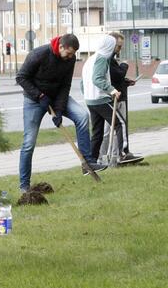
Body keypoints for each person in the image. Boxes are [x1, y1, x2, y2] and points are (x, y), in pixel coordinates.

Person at [16, 33, 104, 193]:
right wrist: (39, 96)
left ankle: (87, 162)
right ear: (61, 46)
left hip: (57, 96)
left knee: (82, 116)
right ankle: (24, 186)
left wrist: (58, 110)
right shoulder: (39, 54)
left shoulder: (69, 60)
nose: (71, 57)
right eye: (69, 53)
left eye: (73, 54)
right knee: (28, 143)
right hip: (34, 100)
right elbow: (21, 77)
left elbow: (65, 85)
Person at [80, 35, 121, 164]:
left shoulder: (90, 59)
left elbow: (83, 83)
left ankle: (91, 162)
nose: (115, 48)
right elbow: (97, 79)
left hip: (90, 100)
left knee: (97, 132)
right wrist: (112, 90)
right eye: (114, 45)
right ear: (109, 46)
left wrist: (87, 95)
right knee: (120, 124)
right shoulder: (102, 59)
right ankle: (122, 154)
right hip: (100, 99)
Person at [106, 32, 143, 164]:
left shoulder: (111, 58)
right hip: (115, 98)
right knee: (118, 127)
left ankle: (114, 155)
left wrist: (126, 82)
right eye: (118, 46)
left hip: (119, 96)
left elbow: (118, 78)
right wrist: (125, 65)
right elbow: (116, 75)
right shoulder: (107, 59)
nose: (120, 50)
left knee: (112, 130)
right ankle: (121, 154)